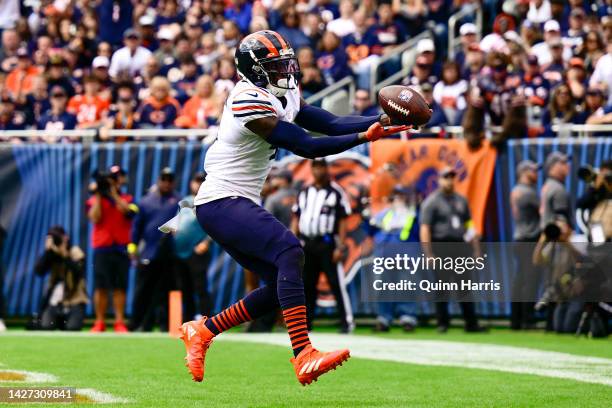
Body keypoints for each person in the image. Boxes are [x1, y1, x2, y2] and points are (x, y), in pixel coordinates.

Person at [180, 30, 408, 386]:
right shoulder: (246, 99)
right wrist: (364, 137)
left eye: (287, 62)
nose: (286, 70)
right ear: (253, 70)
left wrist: (382, 121)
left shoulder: (279, 93)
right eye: (276, 65)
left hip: (234, 200)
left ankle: (204, 331)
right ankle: (303, 354)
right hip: (220, 199)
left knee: (277, 286)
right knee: (289, 249)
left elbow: (330, 123)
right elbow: (305, 146)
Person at [419, 167, 485, 333]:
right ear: (439, 180)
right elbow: (425, 228)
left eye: (452, 177)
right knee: (442, 287)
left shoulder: (461, 200)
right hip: (441, 246)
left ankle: (471, 324)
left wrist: (476, 248)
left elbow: (469, 225)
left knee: (465, 286)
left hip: (460, 246)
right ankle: (443, 323)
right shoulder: (432, 201)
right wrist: (429, 253)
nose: (449, 180)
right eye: (446, 177)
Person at [292, 158, 352, 333]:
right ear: (312, 169)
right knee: (307, 285)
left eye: (322, 167)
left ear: (327, 169)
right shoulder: (304, 192)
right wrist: (293, 242)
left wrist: (340, 247)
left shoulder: (336, 192)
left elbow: (342, 220)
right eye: (315, 167)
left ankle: (346, 322)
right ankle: (307, 323)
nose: (319, 170)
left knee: (336, 283)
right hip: (306, 243)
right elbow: (296, 218)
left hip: (327, 243)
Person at [129, 168, 181, 331]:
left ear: (173, 182)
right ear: (159, 180)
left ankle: (168, 326)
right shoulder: (145, 201)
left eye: (169, 180)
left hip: (171, 254)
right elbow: (136, 227)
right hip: (149, 253)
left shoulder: (179, 201)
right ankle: (138, 324)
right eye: (164, 179)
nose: (166, 183)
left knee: (168, 290)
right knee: (143, 290)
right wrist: (133, 247)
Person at [86, 165, 137, 333]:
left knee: (119, 286)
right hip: (102, 247)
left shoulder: (128, 198)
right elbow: (95, 217)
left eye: (118, 177)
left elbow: (128, 213)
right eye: (113, 177)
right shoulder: (94, 199)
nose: (115, 180)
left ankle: (119, 322)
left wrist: (113, 193)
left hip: (121, 247)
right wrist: (101, 195)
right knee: (101, 286)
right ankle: (99, 322)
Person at [370, 185, 420, 332]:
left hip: (406, 254)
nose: (398, 198)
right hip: (385, 255)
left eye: (401, 195)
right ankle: (384, 318)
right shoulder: (384, 214)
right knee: (384, 286)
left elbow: (418, 233)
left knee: (406, 285)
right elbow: (371, 229)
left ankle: (407, 318)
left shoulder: (412, 214)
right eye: (395, 195)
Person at [174, 171, 212, 322]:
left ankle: (207, 321)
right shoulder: (185, 201)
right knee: (185, 288)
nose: (198, 184)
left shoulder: (210, 201)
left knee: (200, 287)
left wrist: (206, 242)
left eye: (201, 181)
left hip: (198, 251)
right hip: (180, 252)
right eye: (196, 181)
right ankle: (187, 321)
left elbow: (215, 226)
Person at [34, 226, 88, 331]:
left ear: (66, 238)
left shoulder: (75, 251)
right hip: (54, 303)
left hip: (75, 300)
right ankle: (56, 321)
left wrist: (65, 255)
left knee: (72, 328)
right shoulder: (51, 254)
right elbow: (39, 272)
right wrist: (47, 252)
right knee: (46, 326)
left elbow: (79, 272)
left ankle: (66, 322)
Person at [510, 160, 541, 330]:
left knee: (520, 279)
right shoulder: (527, 192)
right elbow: (543, 212)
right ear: (524, 172)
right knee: (530, 280)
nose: (536, 173)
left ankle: (516, 319)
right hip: (528, 239)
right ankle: (527, 319)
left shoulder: (516, 190)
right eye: (533, 170)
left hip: (520, 239)